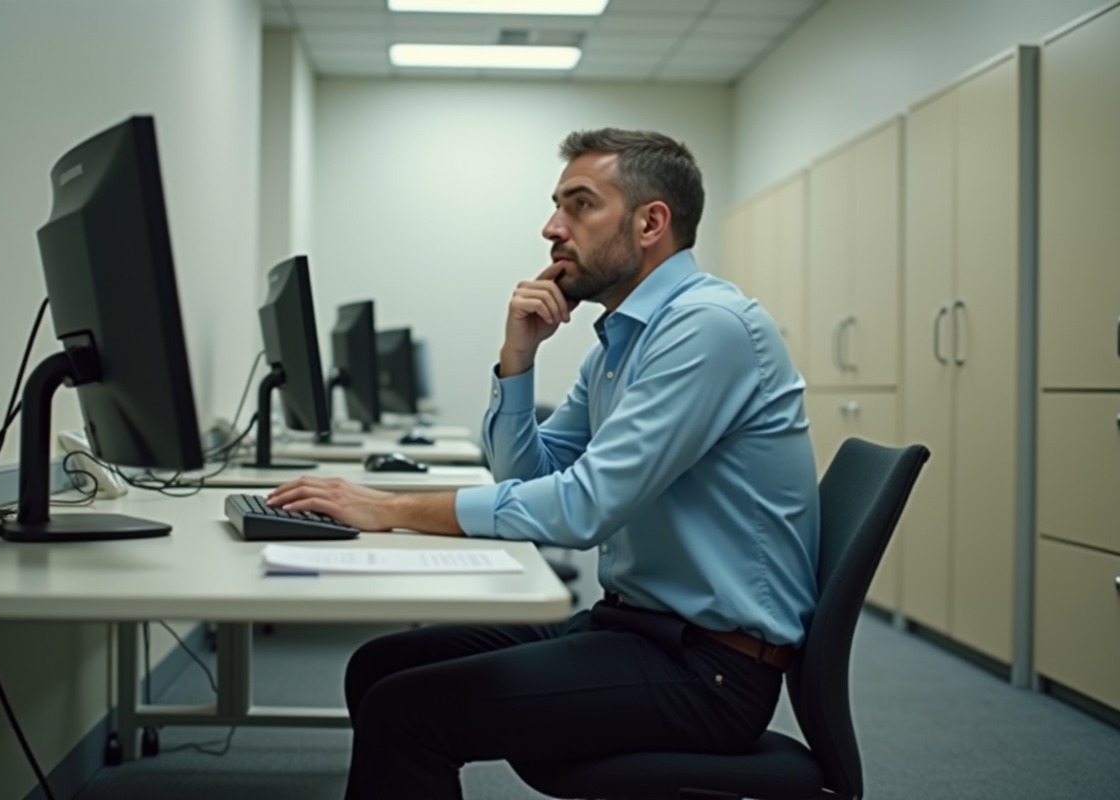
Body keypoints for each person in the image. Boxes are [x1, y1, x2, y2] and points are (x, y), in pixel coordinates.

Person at [267, 128, 820, 800]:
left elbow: (581, 509)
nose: (552, 228)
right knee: (382, 667)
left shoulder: (708, 328)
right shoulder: (621, 341)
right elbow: (526, 481)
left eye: (580, 205)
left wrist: (390, 510)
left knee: (404, 710)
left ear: (651, 222)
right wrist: (517, 359)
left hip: (709, 669)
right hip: (636, 626)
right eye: (557, 205)